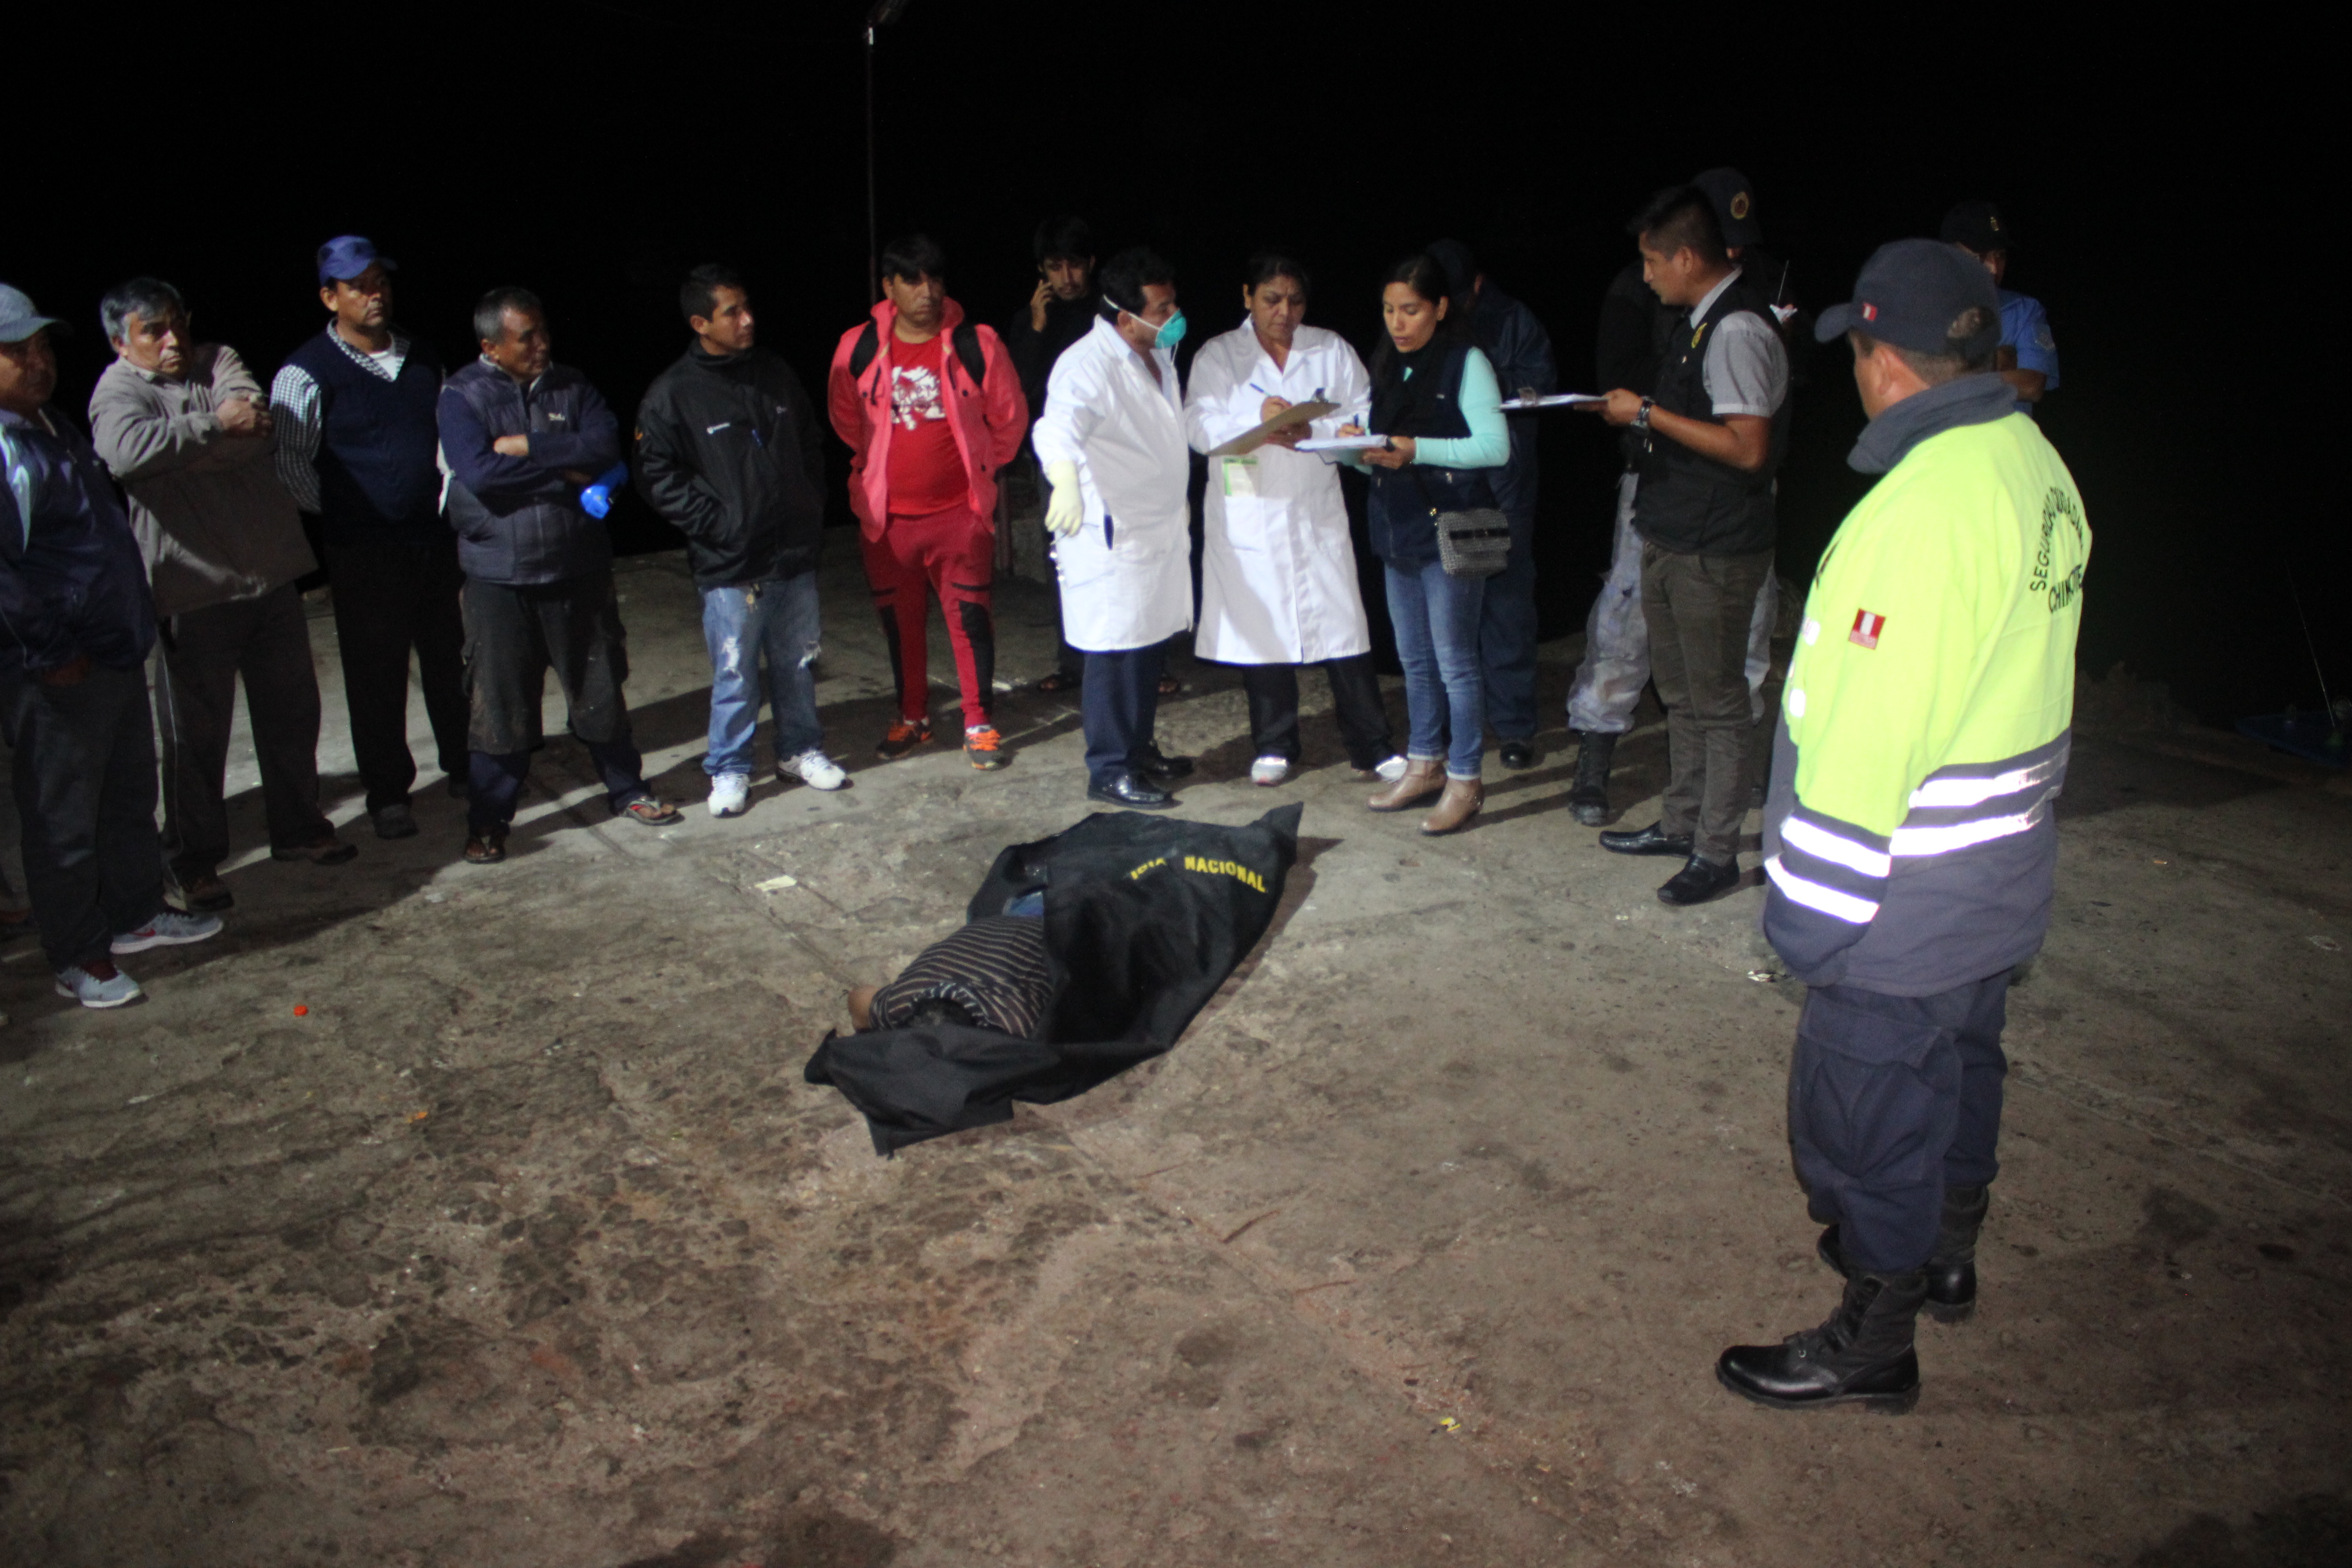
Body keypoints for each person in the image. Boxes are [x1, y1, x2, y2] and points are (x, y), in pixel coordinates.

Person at [1716, 239, 2088, 1413]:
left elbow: (1867, 742)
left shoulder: (1919, 514)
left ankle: (1874, 1340)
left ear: (1884, 362)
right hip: (1997, 878)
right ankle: (1947, 1255)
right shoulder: (2037, 466)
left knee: (1866, 1110)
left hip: (1903, 899)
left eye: (1858, 351)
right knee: (1963, 1070)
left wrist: (1813, 923)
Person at [88, 277, 353, 914]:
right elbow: (125, 454)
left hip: (269, 575)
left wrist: (185, 446)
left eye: (177, 322)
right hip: (191, 589)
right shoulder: (117, 389)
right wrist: (214, 428)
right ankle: (193, 860)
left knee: (292, 713)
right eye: (153, 330)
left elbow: (260, 428)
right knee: (195, 739)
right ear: (122, 342)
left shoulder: (219, 359)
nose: (172, 339)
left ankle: (297, 828)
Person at [0, 284, 223, 1009]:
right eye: (17, 352)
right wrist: (50, 646)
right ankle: (75, 954)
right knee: (62, 817)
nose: (37, 363)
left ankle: (134, 915)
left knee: (128, 797)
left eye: (41, 348)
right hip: (56, 666)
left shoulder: (53, 426)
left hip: (112, 649)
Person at [1584, 186, 1790, 905]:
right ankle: (1680, 824)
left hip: (1716, 548)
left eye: (1650, 262)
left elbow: (1747, 447)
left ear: (1685, 257)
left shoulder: (1737, 330)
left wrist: (1646, 412)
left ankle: (1717, 851)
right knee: (1681, 696)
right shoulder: (1700, 323)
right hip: (1673, 534)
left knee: (1721, 702)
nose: (1645, 277)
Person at [439, 287, 679, 863]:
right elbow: (479, 473)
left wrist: (528, 445)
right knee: (498, 708)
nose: (543, 344)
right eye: (528, 337)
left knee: (600, 687)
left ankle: (628, 790)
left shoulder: (571, 384)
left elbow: (602, 445)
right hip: (500, 579)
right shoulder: (460, 396)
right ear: (491, 347)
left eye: (545, 331)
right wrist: (565, 478)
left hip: (578, 570)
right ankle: (489, 820)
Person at [271, 235, 468, 842]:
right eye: (358, 285)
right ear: (330, 297)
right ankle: (388, 792)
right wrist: (348, 514)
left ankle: (466, 766)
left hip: (434, 540)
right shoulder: (304, 373)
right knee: (375, 674)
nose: (374, 294)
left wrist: (445, 498)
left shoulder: (423, 356)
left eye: (380, 281)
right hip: (363, 550)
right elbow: (291, 464)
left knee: (451, 659)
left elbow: (448, 436)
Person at [1185, 252, 1402, 788]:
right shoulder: (1219, 355)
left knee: (1344, 628)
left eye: (1295, 301)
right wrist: (1257, 421)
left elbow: (1362, 411)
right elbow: (1198, 423)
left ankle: (1371, 744)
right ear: (1247, 298)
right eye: (1271, 300)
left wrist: (1317, 433)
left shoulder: (1329, 349)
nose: (1284, 312)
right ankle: (1276, 743)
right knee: (1263, 630)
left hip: (1313, 508)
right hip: (1252, 511)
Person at [635, 265, 845, 817]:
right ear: (700, 322)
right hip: (731, 563)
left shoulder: (774, 371)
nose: (747, 319)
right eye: (732, 312)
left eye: (747, 307)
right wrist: (718, 522)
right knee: (734, 671)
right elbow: (656, 474)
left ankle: (800, 750)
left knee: (797, 661)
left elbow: (809, 442)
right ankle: (729, 768)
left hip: (794, 553)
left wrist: (808, 503)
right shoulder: (674, 393)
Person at [828, 235, 1028, 770]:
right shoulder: (858, 347)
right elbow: (848, 421)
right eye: (913, 280)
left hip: (959, 519)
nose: (927, 291)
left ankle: (979, 721)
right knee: (901, 625)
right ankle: (912, 717)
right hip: (887, 523)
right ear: (889, 287)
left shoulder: (976, 344)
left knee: (970, 622)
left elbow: (1010, 421)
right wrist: (878, 473)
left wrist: (981, 474)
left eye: (935, 279)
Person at [1340, 254, 1510, 835]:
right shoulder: (1387, 364)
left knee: (1455, 662)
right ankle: (1424, 764)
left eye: (1411, 310)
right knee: (1414, 659)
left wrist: (1417, 449)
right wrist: (1349, 449)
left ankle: (1466, 778)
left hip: (1453, 528)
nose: (1398, 322)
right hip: (1397, 527)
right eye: (1389, 310)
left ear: (1440, 307)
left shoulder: (1468, 362)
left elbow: (1495, 448)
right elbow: (1384, 462)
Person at [1031, 246, 1197, 810]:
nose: (1173, 315)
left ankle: (1139, 747)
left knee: (1148, 645)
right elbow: (1056, 429)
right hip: (1112, 532)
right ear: (1125, 317)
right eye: (1162, 307)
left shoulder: (1158, 355)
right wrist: (1064, 479)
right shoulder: (1087, 364)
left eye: (1173, 302)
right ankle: (1108, 767)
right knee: (1114, 652)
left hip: (1155, 528)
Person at [1425, 239, 1557, 772]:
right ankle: (1447, 730)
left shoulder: (1513, 320)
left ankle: (1515, 727)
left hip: (1500, 487)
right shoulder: (1420, 317)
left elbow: (1541, 388)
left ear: (1476, 285)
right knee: (1442, 613)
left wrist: (1485, 388)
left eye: (1454, 298)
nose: (1445, 310)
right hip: (1438, 485)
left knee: (1505, 608)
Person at [1005, 216, 1099, 695]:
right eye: (1055, 267)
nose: (1067, 278)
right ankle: (1071, 662)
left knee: (1121, 556)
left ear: (1091, 265)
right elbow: (1018, 393)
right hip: (1055, 460)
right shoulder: (1030, 320)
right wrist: (1037, 330)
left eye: (1075, 266)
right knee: (1061, 558)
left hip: (1109, 454)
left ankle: (1147, 662)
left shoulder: (1110, 314)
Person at [1940, 200, 2058, 416]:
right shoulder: (1922, 309)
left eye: (2000, 255)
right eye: (1981, 256)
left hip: (2005, 446)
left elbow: (2032, 386)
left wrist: (1956, 373)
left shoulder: (2024, 310)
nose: (1994, 267)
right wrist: (1997, 363)